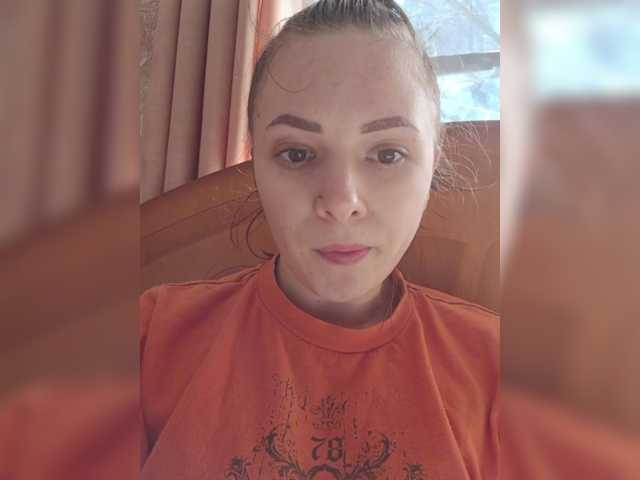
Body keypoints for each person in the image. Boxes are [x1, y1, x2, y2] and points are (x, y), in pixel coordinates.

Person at [140, 1, 498, 478]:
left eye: (387, 154)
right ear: (255, 161)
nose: (341, 201)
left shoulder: (497, 369)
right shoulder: (151, 337)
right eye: (297, 153)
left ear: (432, 161)